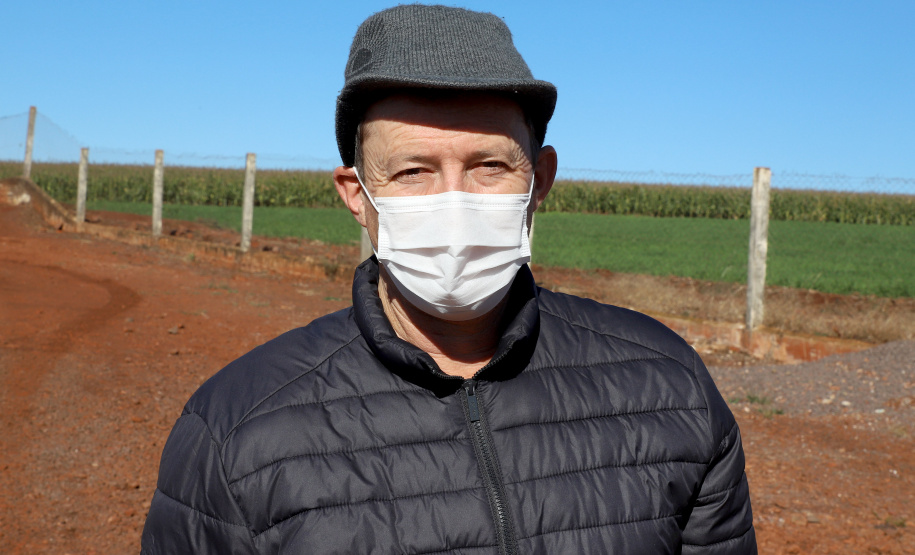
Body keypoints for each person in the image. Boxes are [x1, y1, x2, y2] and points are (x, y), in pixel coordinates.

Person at [141, 4, 756, 554]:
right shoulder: (235, 432)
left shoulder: (669, 389)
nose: (454, 203)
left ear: (539, 181)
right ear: (357, 196)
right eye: (413, 171)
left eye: (490, 166)